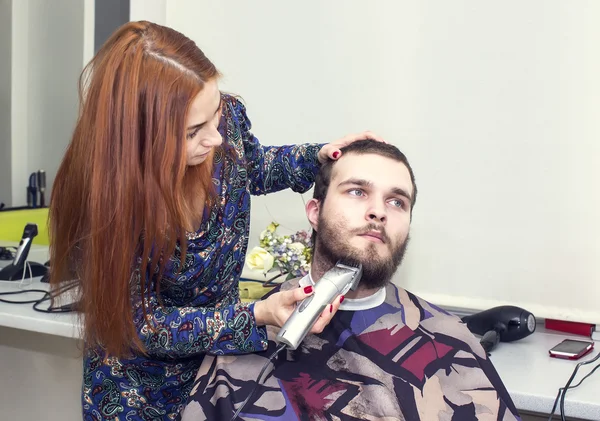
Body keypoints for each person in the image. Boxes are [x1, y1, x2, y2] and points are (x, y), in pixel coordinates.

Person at [48, 21, 382, 420]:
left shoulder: (222, 126)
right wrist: (256, 316)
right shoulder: (102, 202)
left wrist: (316, 157)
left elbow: (251, 166)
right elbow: (144, 325)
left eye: (216, 113)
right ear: (137, 141)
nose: (216, 139)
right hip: (137, 394)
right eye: (193, 132)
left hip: (216, 369)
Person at [181, 139, 521, 421]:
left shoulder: (449, 341)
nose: (379, 211)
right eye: (357, 192)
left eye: (396, 201)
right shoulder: (243, 332)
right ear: (315, 212)